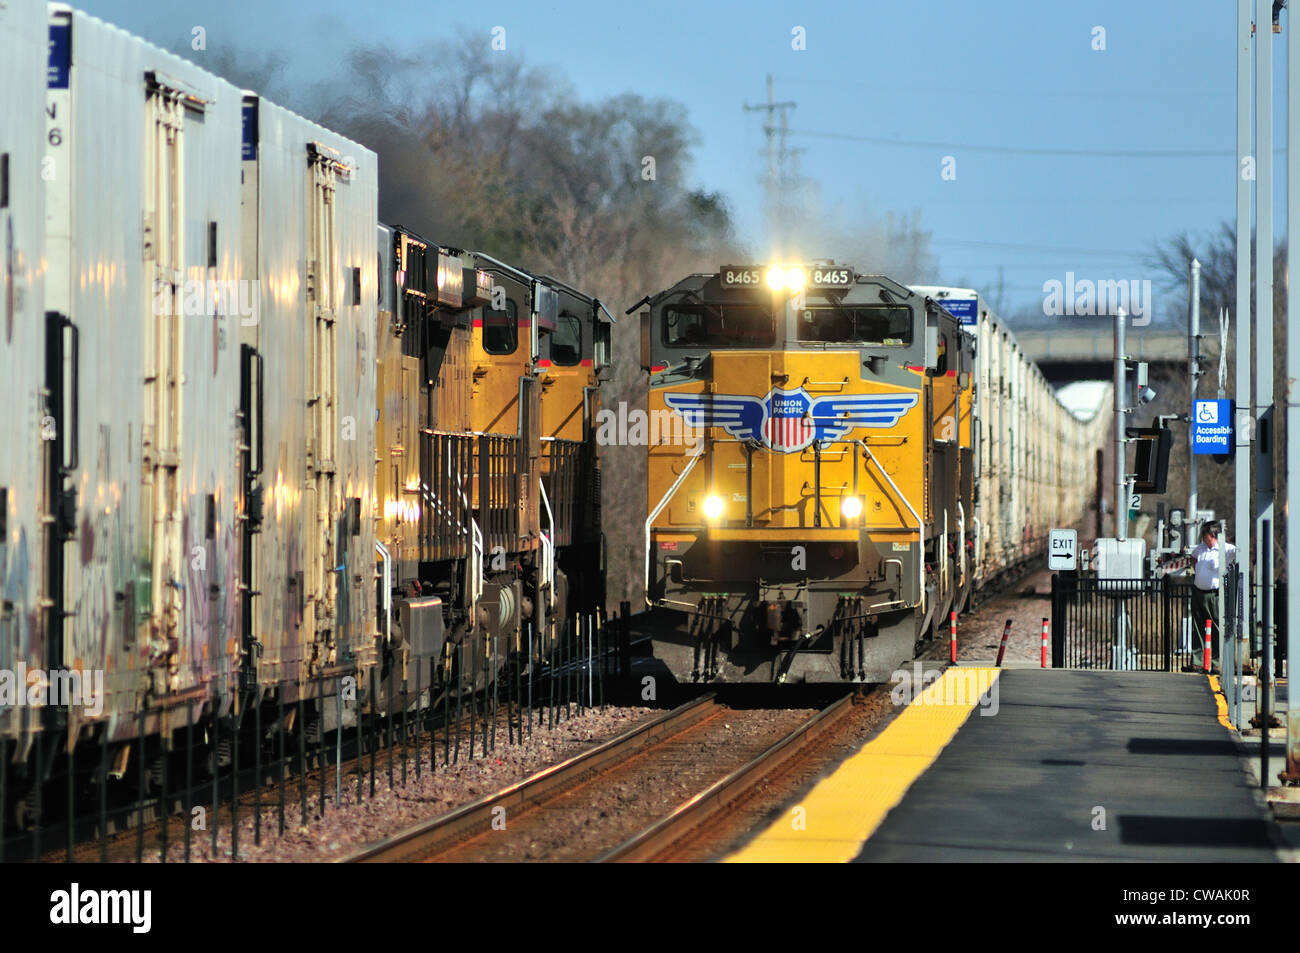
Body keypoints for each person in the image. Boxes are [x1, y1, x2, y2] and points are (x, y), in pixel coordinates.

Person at [1189, 523, 1236, 671]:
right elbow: (1193, 558)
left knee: (1217, 628)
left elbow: (1238, 555)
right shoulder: (1200, 548)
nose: (1203, 537)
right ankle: (1197, 660)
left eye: (1205, 534)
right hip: (1198, 591)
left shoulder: (1227, 549)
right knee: (1197, 627)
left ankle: (1217, 662)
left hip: (1214, 593)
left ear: (1214, 535)